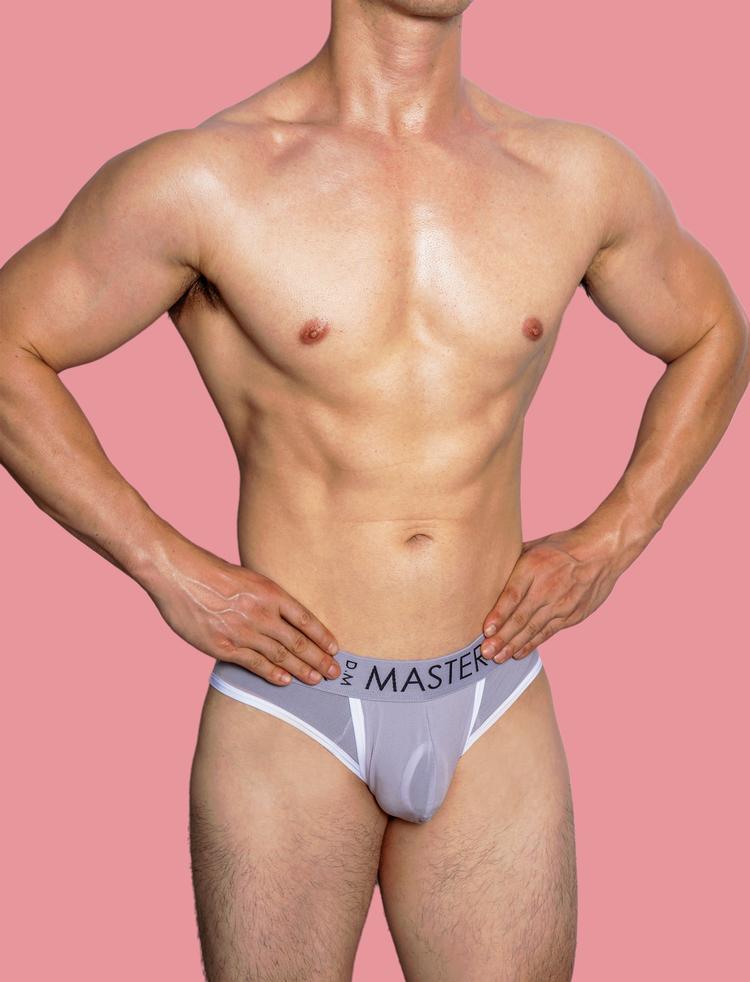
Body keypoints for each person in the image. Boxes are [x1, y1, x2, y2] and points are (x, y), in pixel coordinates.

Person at [1, 0, 748, 978]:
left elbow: (713, 333)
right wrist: (167, 568)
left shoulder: (572, 175)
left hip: (493, 693)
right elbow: (10, 347)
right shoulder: (206, 179)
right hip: (293, 706)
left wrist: (612, 540)